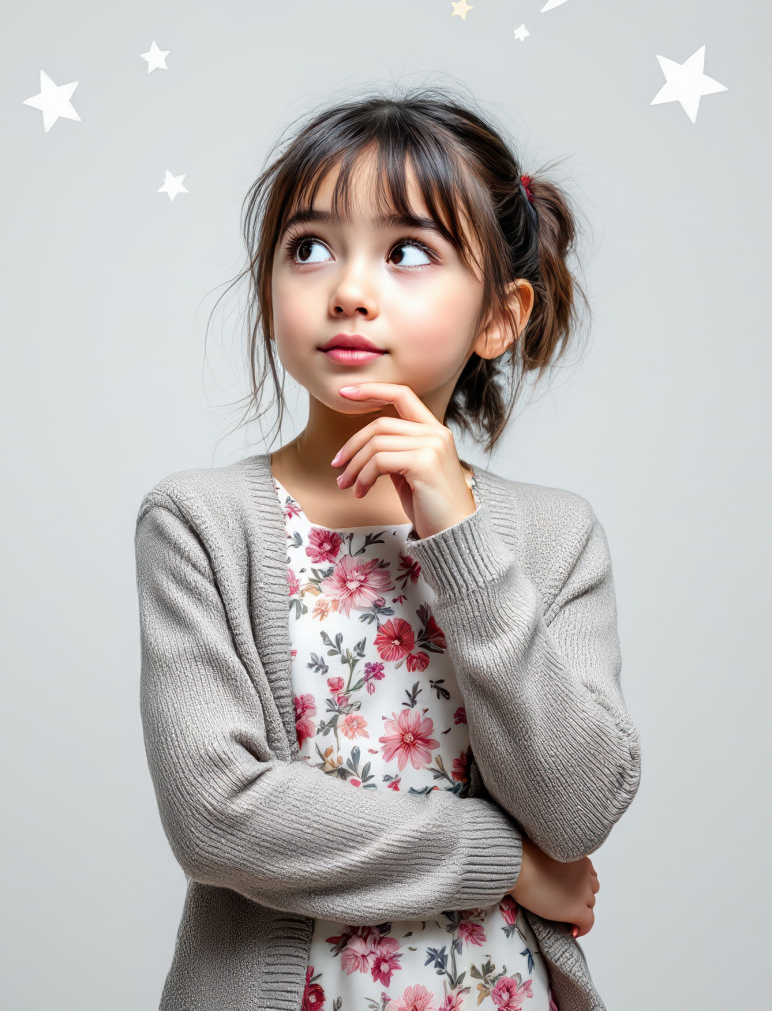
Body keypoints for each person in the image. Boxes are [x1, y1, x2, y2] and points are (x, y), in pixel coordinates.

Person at [134, 84, 642, 1011]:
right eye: (309, 247)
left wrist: (457, 535)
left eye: (408, 251)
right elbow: (219, 816)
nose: (348, 290)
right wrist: (506, 863)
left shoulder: (555, 536)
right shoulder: (200, 523)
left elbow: (576, 809)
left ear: (500, 315)